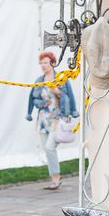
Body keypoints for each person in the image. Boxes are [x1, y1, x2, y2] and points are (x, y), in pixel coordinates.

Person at [25, 51, 78, 190]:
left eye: (45, 62)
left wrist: (58, 93)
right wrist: (42, 103)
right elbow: (33, 98)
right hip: (43, 120)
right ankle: (54, 178)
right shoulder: (39, 80)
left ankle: (56, 178)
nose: (43, 65)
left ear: (52, 63)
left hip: (58, 119)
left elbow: (69, 96)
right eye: (41, 63)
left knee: (50, 147)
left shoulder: (61, 78)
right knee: (47, 150)